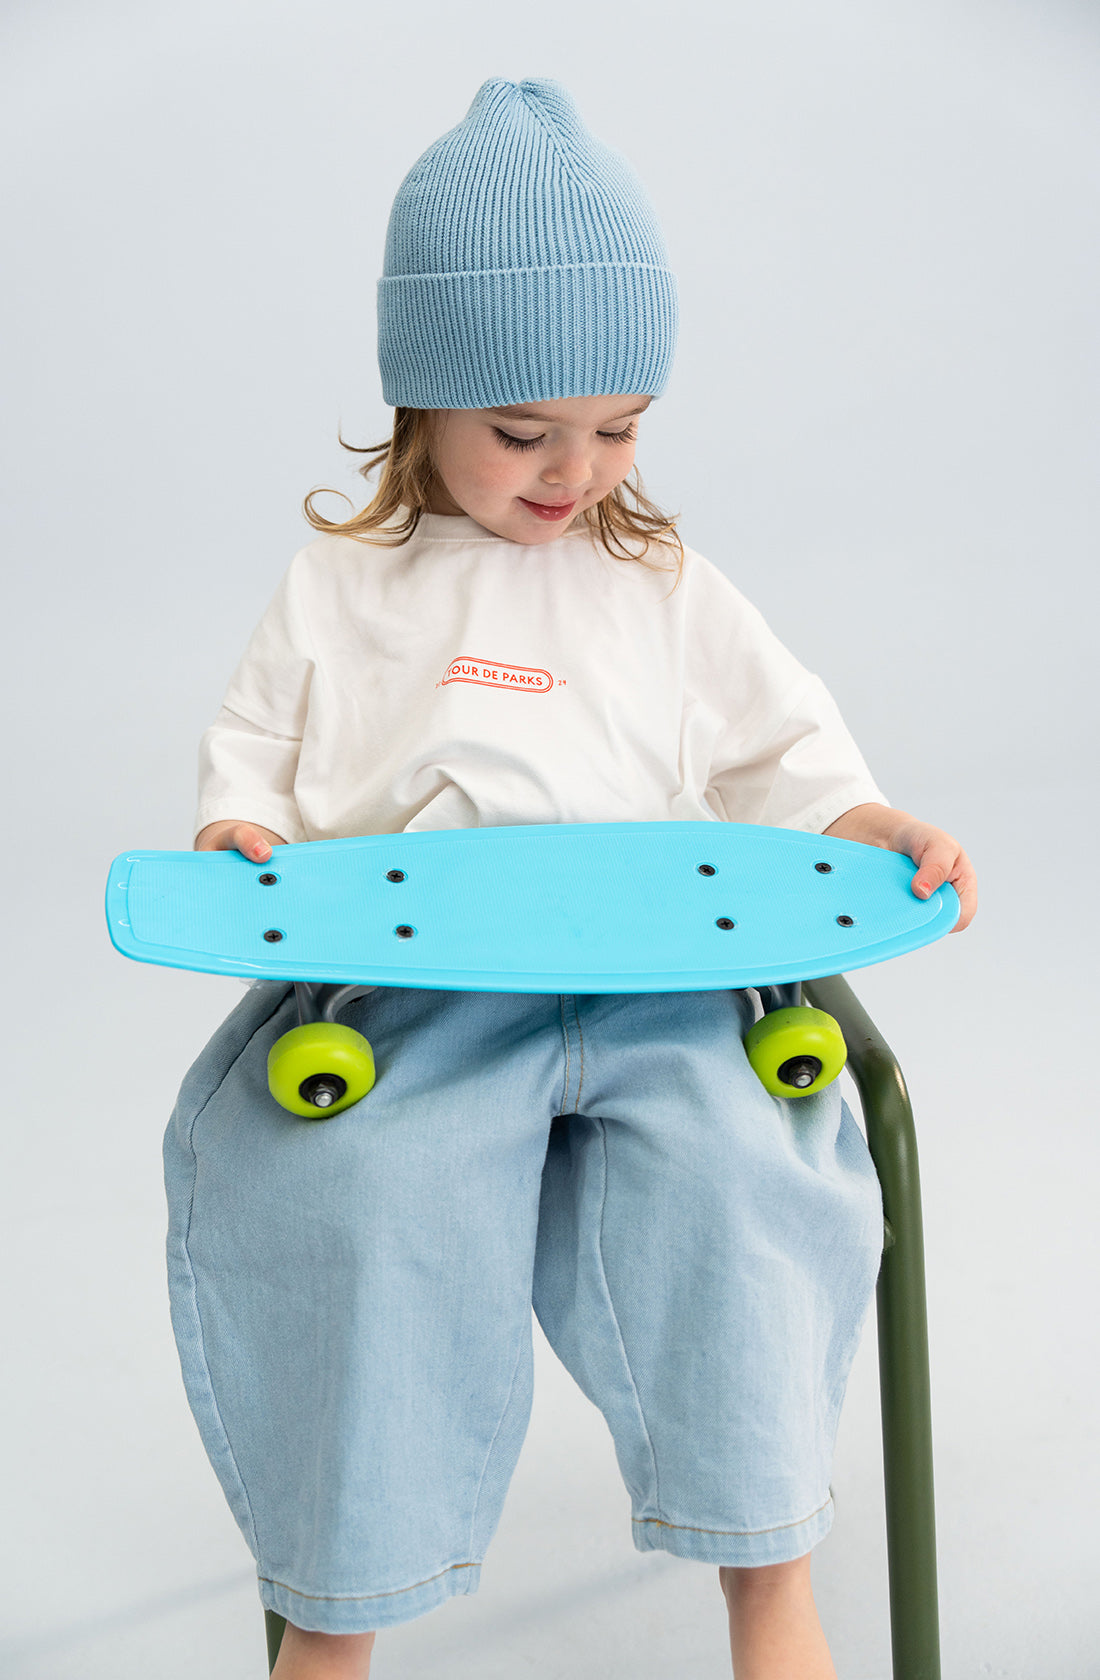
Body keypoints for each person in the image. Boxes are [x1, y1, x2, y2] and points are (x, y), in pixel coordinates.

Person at [165, 78, 976, 1680]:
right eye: (521, 432)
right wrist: (234, 833)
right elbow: (251, 753)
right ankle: (335, 1614)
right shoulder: (344, 585)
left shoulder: (659, 577)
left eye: (616, 430)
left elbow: (781, 742)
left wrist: (866, 819)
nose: (573, 470)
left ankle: (773, 1586)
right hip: (410, 994)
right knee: (355, 1206)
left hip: (666, 984)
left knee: (755, 1190)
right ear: (422, 404)